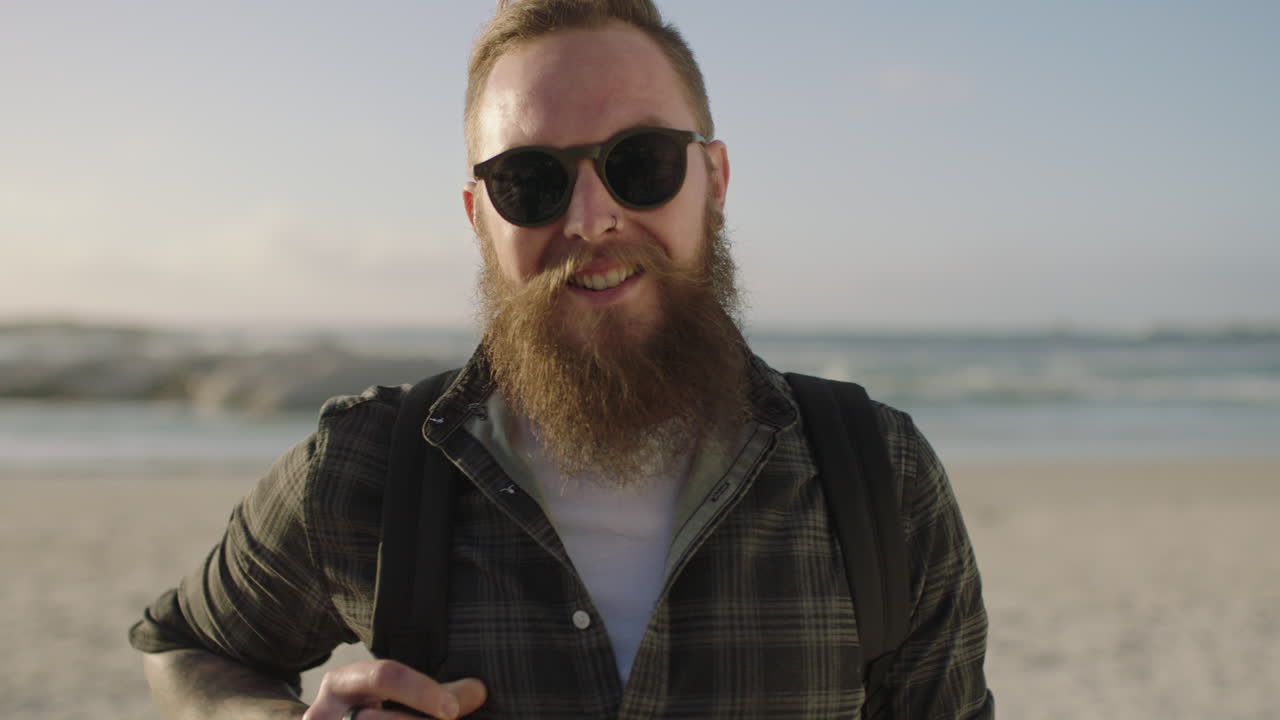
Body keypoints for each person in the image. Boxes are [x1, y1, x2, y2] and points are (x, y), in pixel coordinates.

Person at [129, 1, 995, 718]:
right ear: (478, 216)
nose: (590, 218)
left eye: (640, 163)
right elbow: (183, 648)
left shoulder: (879, 479)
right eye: (530, 181)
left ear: (716, 181)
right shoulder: (365, 471)